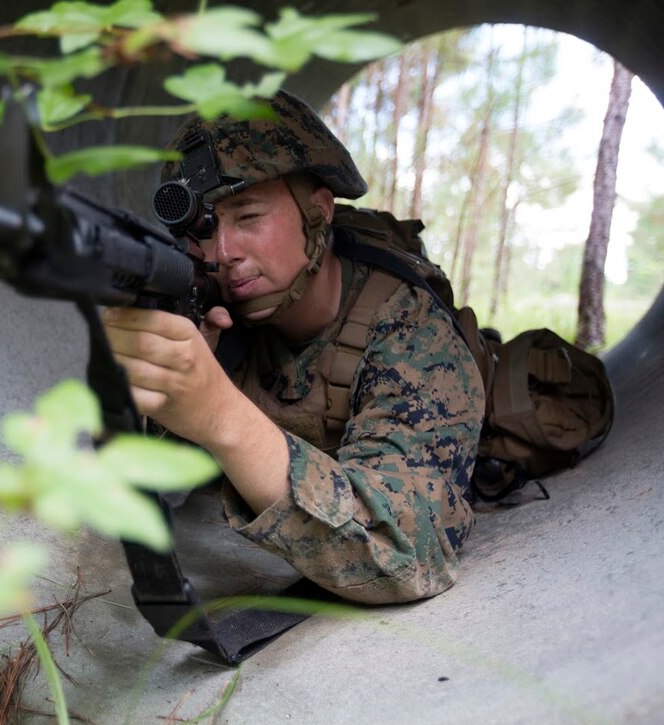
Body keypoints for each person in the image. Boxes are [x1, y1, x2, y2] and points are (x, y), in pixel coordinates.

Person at [102, 90, 485, 604]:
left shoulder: (410, 328)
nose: (224, 253)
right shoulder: (218, 313)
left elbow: (408, 552)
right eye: (204, 228)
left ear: (319, 213)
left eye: (248, 216)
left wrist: (220, 414)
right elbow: (147, 474)